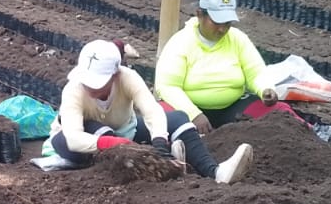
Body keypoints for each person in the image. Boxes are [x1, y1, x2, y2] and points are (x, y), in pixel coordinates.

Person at [155, 0, 331, 151]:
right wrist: (194, 114)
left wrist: (265, 89)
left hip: (231, 106)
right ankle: (173, 152)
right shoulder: (181, 42)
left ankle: (325, 138)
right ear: (200, 14)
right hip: (189, 108)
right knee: (163, 115)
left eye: (227, 23)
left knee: (280, 112)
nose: (222, 29)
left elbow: (255, 71)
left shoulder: (237, 39)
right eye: (217, 22)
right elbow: (168, 86)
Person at [48, 39, 254, 184]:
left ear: (114, 75)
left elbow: (152, 111)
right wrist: (112, 143)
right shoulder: (73, 90)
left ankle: (214, 172)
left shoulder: (127, 78)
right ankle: (165, 168)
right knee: (98, 129)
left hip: (125, 131)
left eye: (98, 82)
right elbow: (73, 138)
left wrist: (159, 141)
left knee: (179, 119)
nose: (90, 87)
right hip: (78, 142)